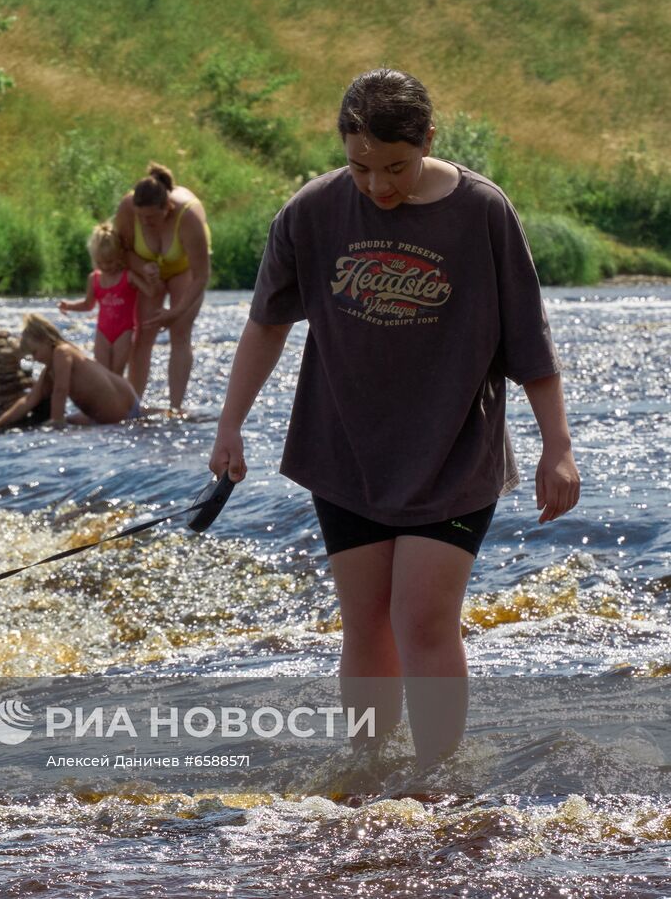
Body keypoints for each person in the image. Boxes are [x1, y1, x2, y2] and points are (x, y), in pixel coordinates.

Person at [208, 69, 580, 771]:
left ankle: (439, 778)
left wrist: (556, 447)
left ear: (429, 139)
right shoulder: (312, 212)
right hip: (344, 450)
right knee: (366, 622)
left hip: (453, 453)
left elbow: (530, 342)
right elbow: (265, 325)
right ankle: (368, 768)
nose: (378, 185)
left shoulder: (484, 213)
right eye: (360, 167)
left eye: (396, 168)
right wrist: (230, 425)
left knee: (422, 620)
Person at [113, 162, 212, 413]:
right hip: (147, 270)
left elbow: (201, 276)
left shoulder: (188, 216)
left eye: (151, 218)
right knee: (144, 333)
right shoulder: (127, 207)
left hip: (184, 269)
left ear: (166, 208)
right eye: (140, 217)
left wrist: (176, 311)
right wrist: (142, 267)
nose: (145, 223)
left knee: (180, 332)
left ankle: (175, 408)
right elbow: (119, 251)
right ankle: (134, 405)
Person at [0, 314, 143, 431]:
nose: (34, 359)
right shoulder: (51, 369)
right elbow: (28, 400)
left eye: (35, 352)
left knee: (60, 424)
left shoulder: (63, 352)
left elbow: (61, 390)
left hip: (124, 407)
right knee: (64, 422)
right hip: (105, 415)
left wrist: (57, 423)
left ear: (46, 340)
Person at [57, 223, 146, 376]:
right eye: (100, 262)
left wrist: (151, 276)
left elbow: (150, 292)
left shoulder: (128, 277)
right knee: (102, 373)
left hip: (125, 331)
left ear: (119, 256)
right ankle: (104, 399)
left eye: (110, 262)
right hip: (103, 332)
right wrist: (69, 306)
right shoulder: (94, 279)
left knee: (116, 373)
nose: (105, 266)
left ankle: (118, 398)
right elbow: (88, 304)